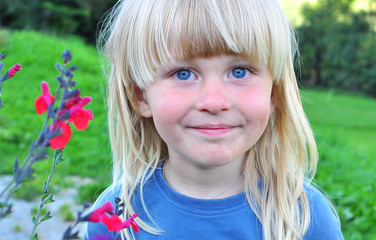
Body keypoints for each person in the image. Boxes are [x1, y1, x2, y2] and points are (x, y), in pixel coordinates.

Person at [85, 0, 344, 239]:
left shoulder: (306, 219)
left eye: (239, 72)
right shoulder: (115, 216)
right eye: (183, 74)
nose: (215, 102)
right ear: (141, 96)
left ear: (273, 92)